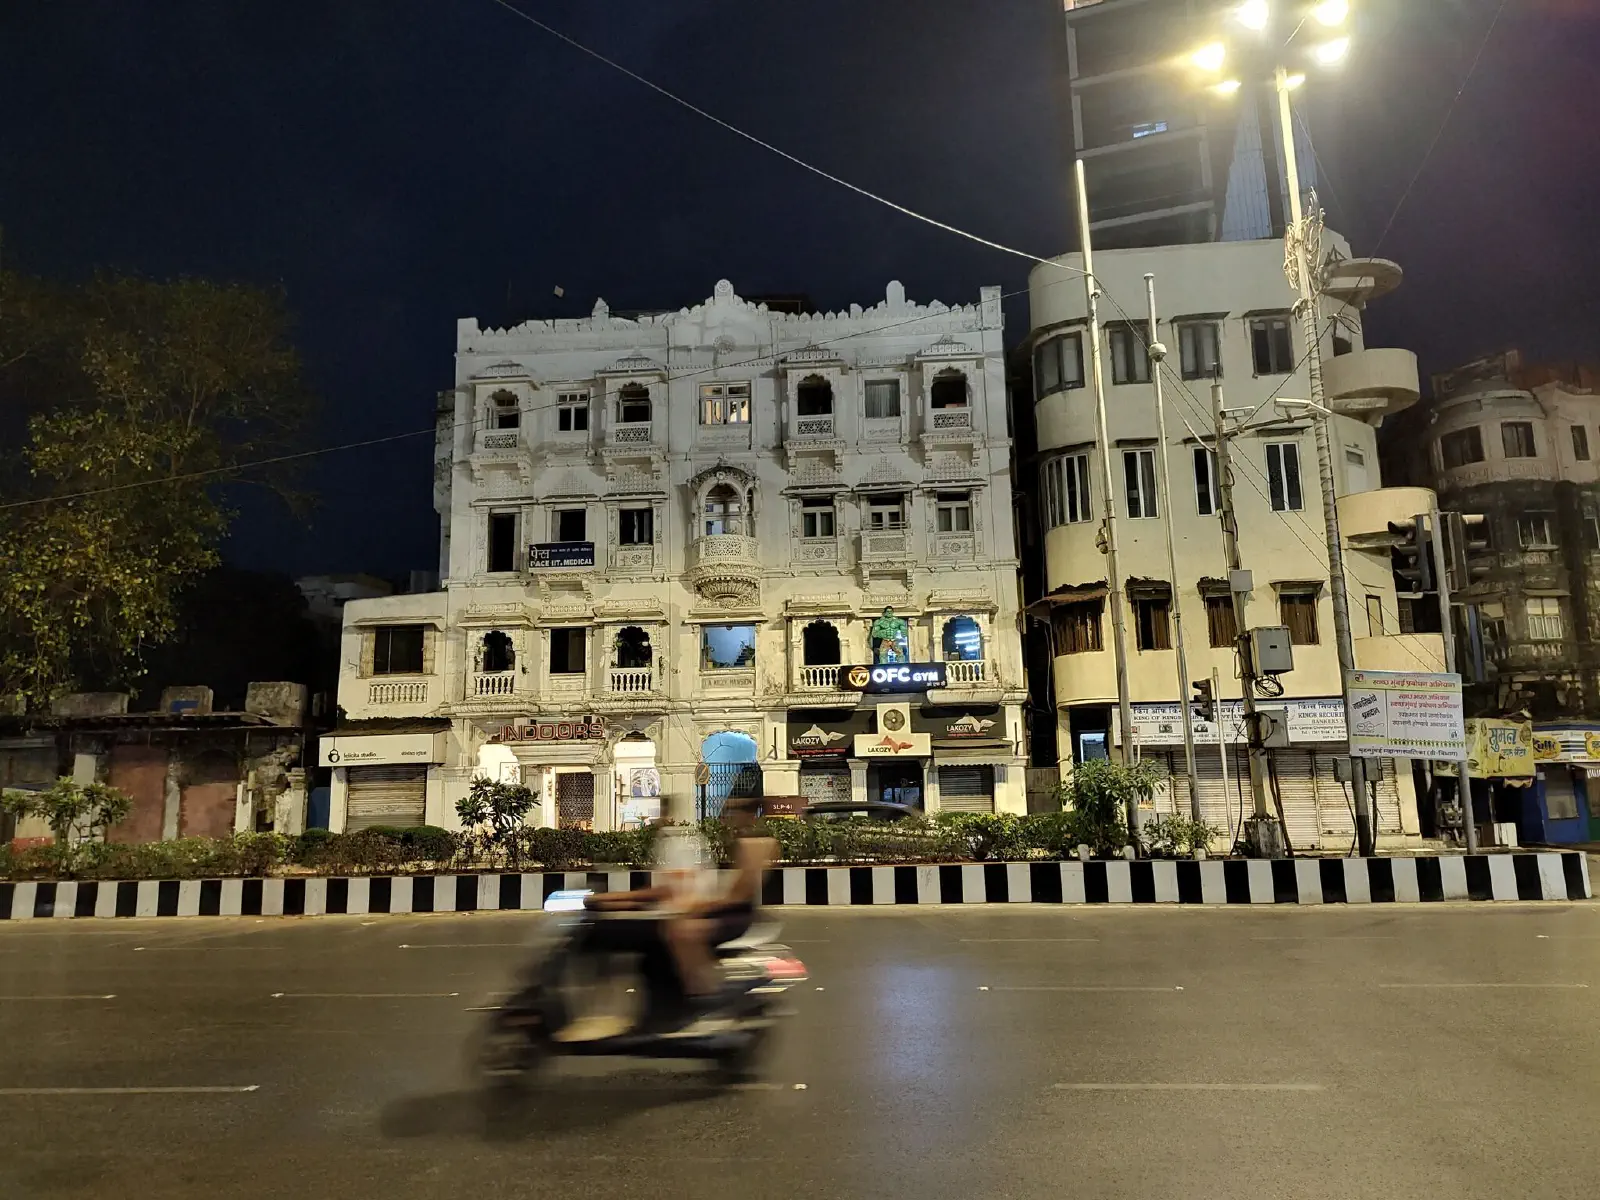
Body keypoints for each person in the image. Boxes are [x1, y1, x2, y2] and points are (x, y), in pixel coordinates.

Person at [584, 797, 776, 1002]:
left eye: (732, 813)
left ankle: (701, 994)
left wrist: (699, 907)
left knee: (679, 930)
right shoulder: (731, 843)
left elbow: (739, 895)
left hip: (736, 915)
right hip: (728, 909)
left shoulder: (753, 844)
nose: (728, 819)